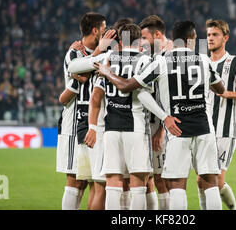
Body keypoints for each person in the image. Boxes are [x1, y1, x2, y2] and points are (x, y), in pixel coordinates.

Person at [95, 20, 226, 210]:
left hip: (177, 128)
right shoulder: (205, 60)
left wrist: (164, 116)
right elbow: (220, 88)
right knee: (210, 182)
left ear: (174, 38)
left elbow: (130, 88)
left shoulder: (162, 61)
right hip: (205, 129)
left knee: (177, 185)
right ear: (192, 39)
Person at [87, 23, 180, 210]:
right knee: (140, 184)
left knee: (113, 183)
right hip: (136, 128)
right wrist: (164, 117)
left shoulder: (108, 59)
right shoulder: (145, 61)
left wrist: (92, 127)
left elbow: (96, 95)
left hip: (111, 129)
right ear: (139, 43)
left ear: (120, 41)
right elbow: (147, 96)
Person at [197, 19, 236, 210]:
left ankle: (233, 208)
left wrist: (227, 93)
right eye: (208, 35)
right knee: (201, 180)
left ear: (226, 38)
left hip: (225, 130)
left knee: (215, 180)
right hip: (203, 130)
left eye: (215, 35)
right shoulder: (201, 62)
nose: (210, 38)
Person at [56, 12, 110, 210]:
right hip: (72, 123)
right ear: (95, 31)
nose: (106, 35)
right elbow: (82, 75)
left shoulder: (101, 52)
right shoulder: (73, 53)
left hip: (93, 122)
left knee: (96, 181)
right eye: (104, 30)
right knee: (75, 182)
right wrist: (99, 53)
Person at [139, 15, 173, 210]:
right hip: (144, 125)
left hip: (160, 126)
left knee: (161, 180)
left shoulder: (170, 56)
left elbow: (168, 97)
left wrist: (160, 129)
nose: (141, 42)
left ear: (157, 34)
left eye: (144, 38)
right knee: (146, 180)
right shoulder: (151, 56)